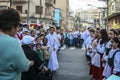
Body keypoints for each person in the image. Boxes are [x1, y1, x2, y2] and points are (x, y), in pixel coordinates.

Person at [0, 8, 33, 80]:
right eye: (17, 25)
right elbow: (23, 66)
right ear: (12, 26)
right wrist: (29, 63)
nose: (18, 29)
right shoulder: (12, 43)